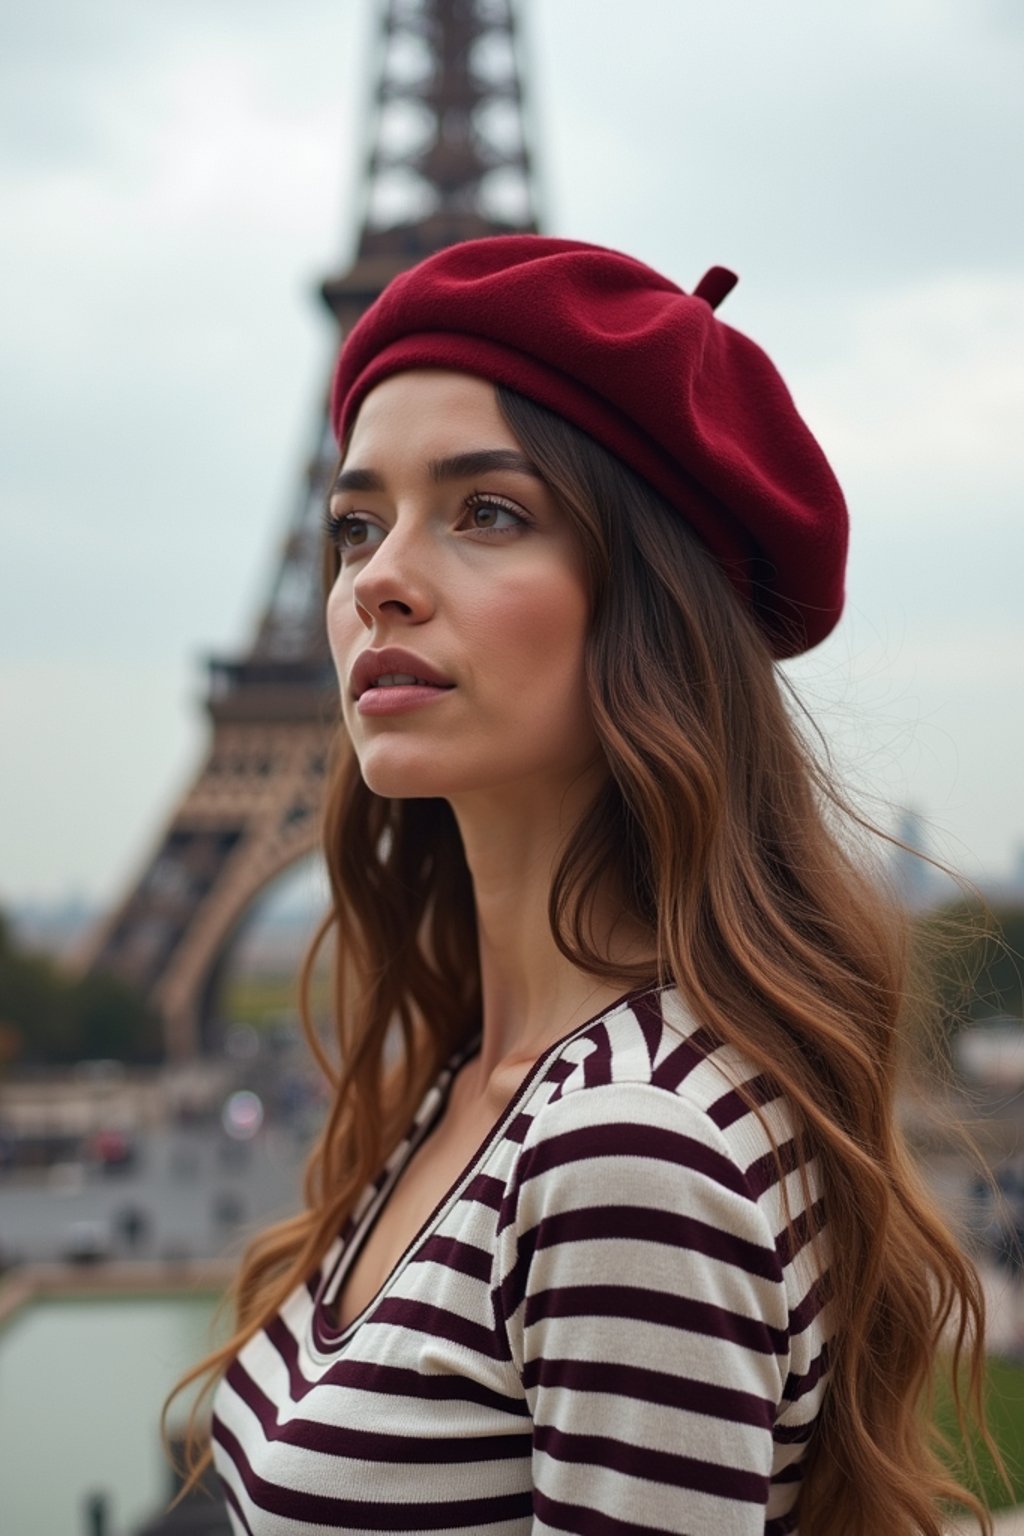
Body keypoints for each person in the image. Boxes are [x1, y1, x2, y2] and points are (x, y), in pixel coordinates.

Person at [170, 237, 994, 1535]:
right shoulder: (485, 1081)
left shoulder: (628, 1150)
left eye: (486, 511)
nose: (376, 577)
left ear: (647, 609)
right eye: (354, 523)